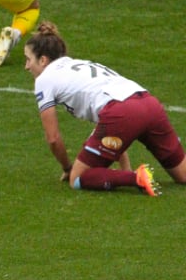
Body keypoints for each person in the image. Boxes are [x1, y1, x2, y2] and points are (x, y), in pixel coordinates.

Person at [23, 22, 186, 195]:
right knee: (183, 174)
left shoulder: (44, 79)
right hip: (149, 103)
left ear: (43, 60)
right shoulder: (79, 64)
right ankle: (133, 175)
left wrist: (68, 168)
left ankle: (137, 178)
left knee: (78, 178)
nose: (26, 66)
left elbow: (53, 138)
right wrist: (125, 167)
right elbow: (113, 127)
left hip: (122, 111)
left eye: (28, 59)